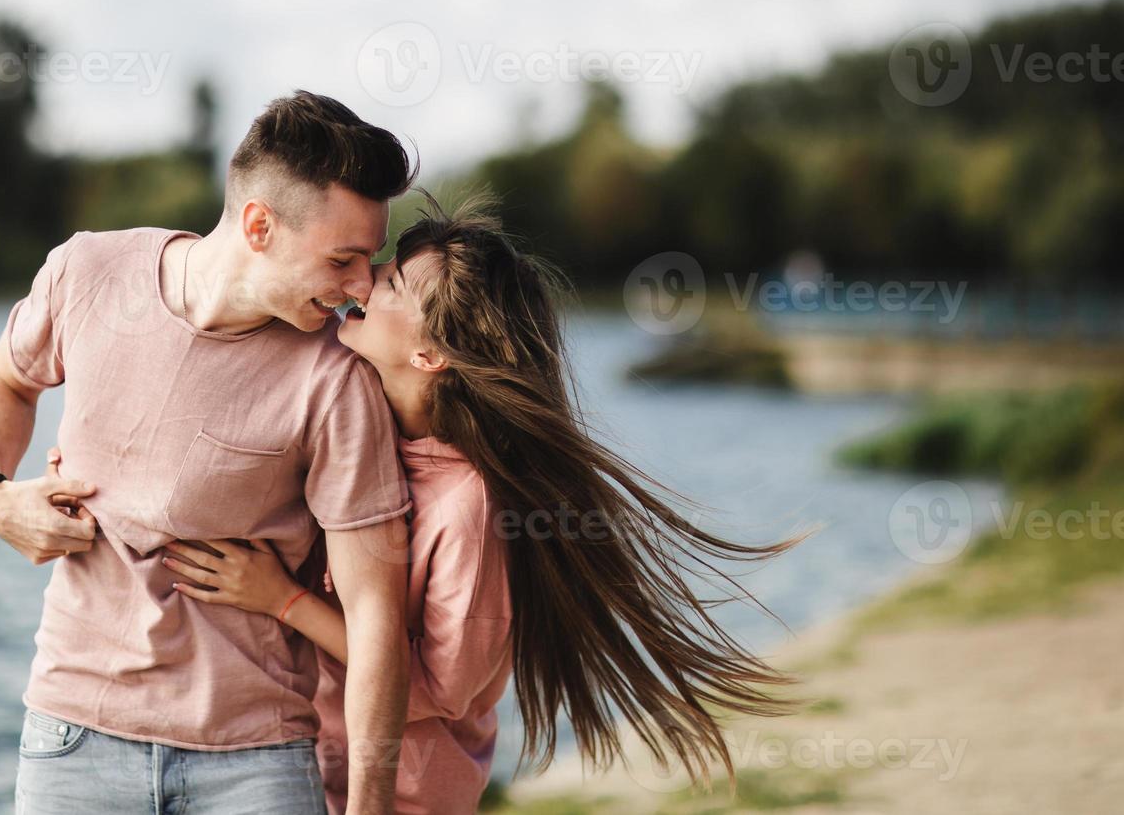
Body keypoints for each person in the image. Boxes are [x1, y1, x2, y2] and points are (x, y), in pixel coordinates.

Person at [156, 195, 811, 813]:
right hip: (300, 775)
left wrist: (282, 600)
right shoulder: (358, 430)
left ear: (428, 353)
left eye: (388, 284)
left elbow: (435, 692)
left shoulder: (469, 506)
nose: (358, 285)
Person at [0, 91, 419, 814]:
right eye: (344, 259)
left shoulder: (337, 379)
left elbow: (376, 622)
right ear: (259, 225)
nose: (360, 287)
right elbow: (5, 382)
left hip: (254, 764)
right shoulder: (88, 272)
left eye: (370, 261)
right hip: (72, 738)